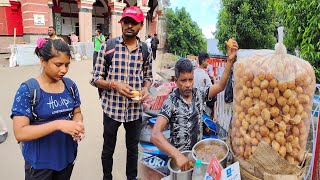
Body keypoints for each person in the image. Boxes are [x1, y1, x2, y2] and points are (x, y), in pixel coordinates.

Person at [150, 38, 238, 171]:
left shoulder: (199, 94)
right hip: (178, 163)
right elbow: (155, 134)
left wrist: (230, 61)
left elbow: (220, 86)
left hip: (197, 160)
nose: (188, 84)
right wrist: (177, 155)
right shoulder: (171, 101)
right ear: (176, 80)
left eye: (190, 80)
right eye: (183, 80)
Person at [90, 6, 153, 180]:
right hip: (111, 109)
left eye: (134, 22)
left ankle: (131, 178)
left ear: (141, 25)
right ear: (121, 23)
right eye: (126, 21)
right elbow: (95, 78)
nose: (129, 25)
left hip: (134, 111)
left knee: (132, 149)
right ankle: (107, 176)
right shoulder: (107, 47)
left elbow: (148, 76)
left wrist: (146, 88)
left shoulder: (145, 51)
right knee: (108, 148)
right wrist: (113, 85)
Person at [11, 38, 85, 180]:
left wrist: (78, 125)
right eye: (58, 64)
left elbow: (77, 112)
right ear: (43, 61)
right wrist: (58, 124)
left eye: (67, 65)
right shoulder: (28, 90)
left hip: (67, 157)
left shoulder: (70, 86)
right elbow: (20, 133)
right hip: (40, 164)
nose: (63, 70)